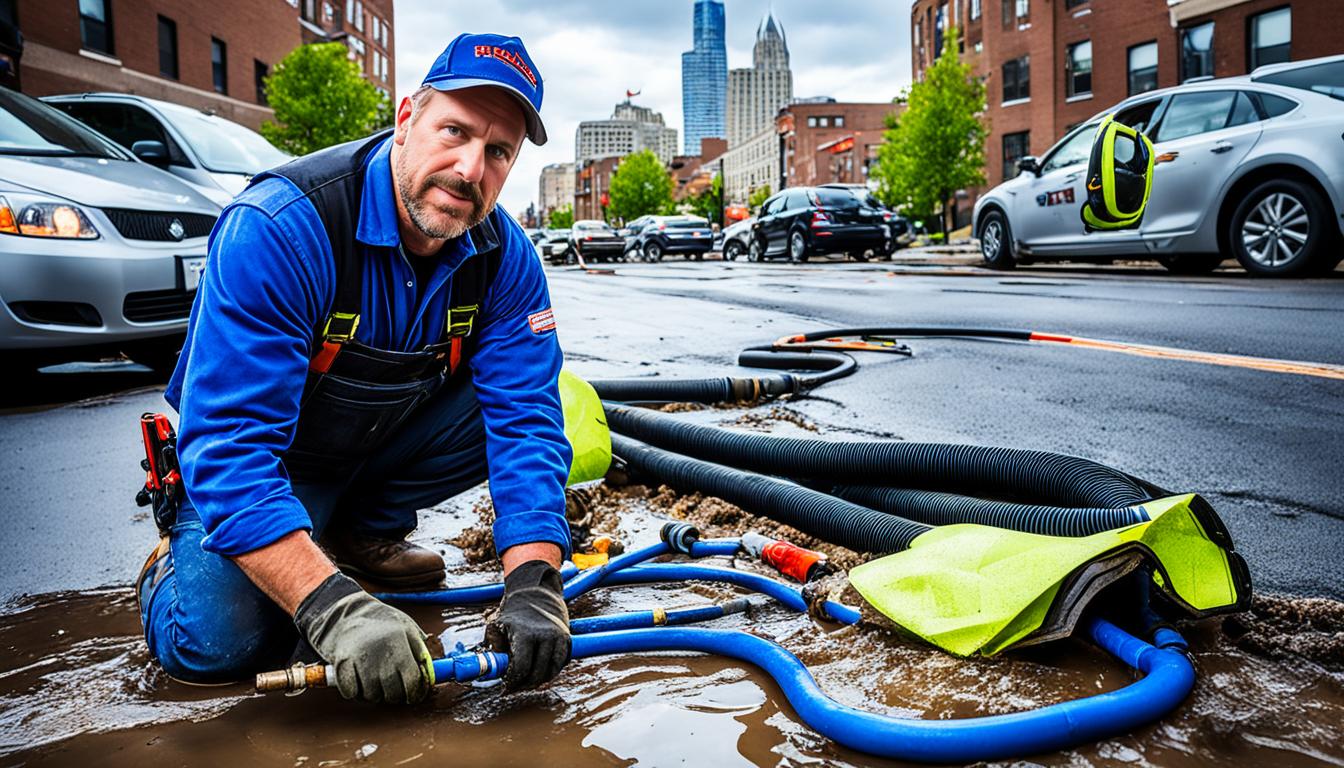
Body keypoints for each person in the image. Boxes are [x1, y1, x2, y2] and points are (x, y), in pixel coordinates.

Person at [135, 33, 572, 704]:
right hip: (264, 465)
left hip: (369, 455)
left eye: (497, 152)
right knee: (215, 646)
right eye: (453, 131)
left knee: (526, 402)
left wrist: (535, 583)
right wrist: (330, 606)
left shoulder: (504, 258)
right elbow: (230, 449)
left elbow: (528, 423)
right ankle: (172, 566)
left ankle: (360, 529)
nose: (468, 168)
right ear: (405, 121)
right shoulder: (283, 226)